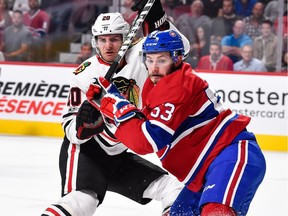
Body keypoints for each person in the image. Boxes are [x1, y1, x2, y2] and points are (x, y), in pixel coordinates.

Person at [41, 0, 190, 215]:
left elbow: (180, 49)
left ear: (126, 39)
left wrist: (160, 22)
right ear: (95, 42)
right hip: (88, 152)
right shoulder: (84, 75)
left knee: (172, 188)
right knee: (84, 201)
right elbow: (70, 129)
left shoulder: (144, 54)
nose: (108, 46)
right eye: (102, 40)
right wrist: (83, 126)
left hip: (118, 151)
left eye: (114, 39)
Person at [96, 29, 266, 216]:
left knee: (217, 212)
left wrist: (112, 105)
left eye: (161, 60)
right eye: (149, 60)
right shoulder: (156, 84)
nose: (153, 67)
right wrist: (108, 103)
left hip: (230, 155)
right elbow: (137, 124)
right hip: (202, 174)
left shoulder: (178, 85)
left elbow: (146, 141)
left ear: (177, 59)